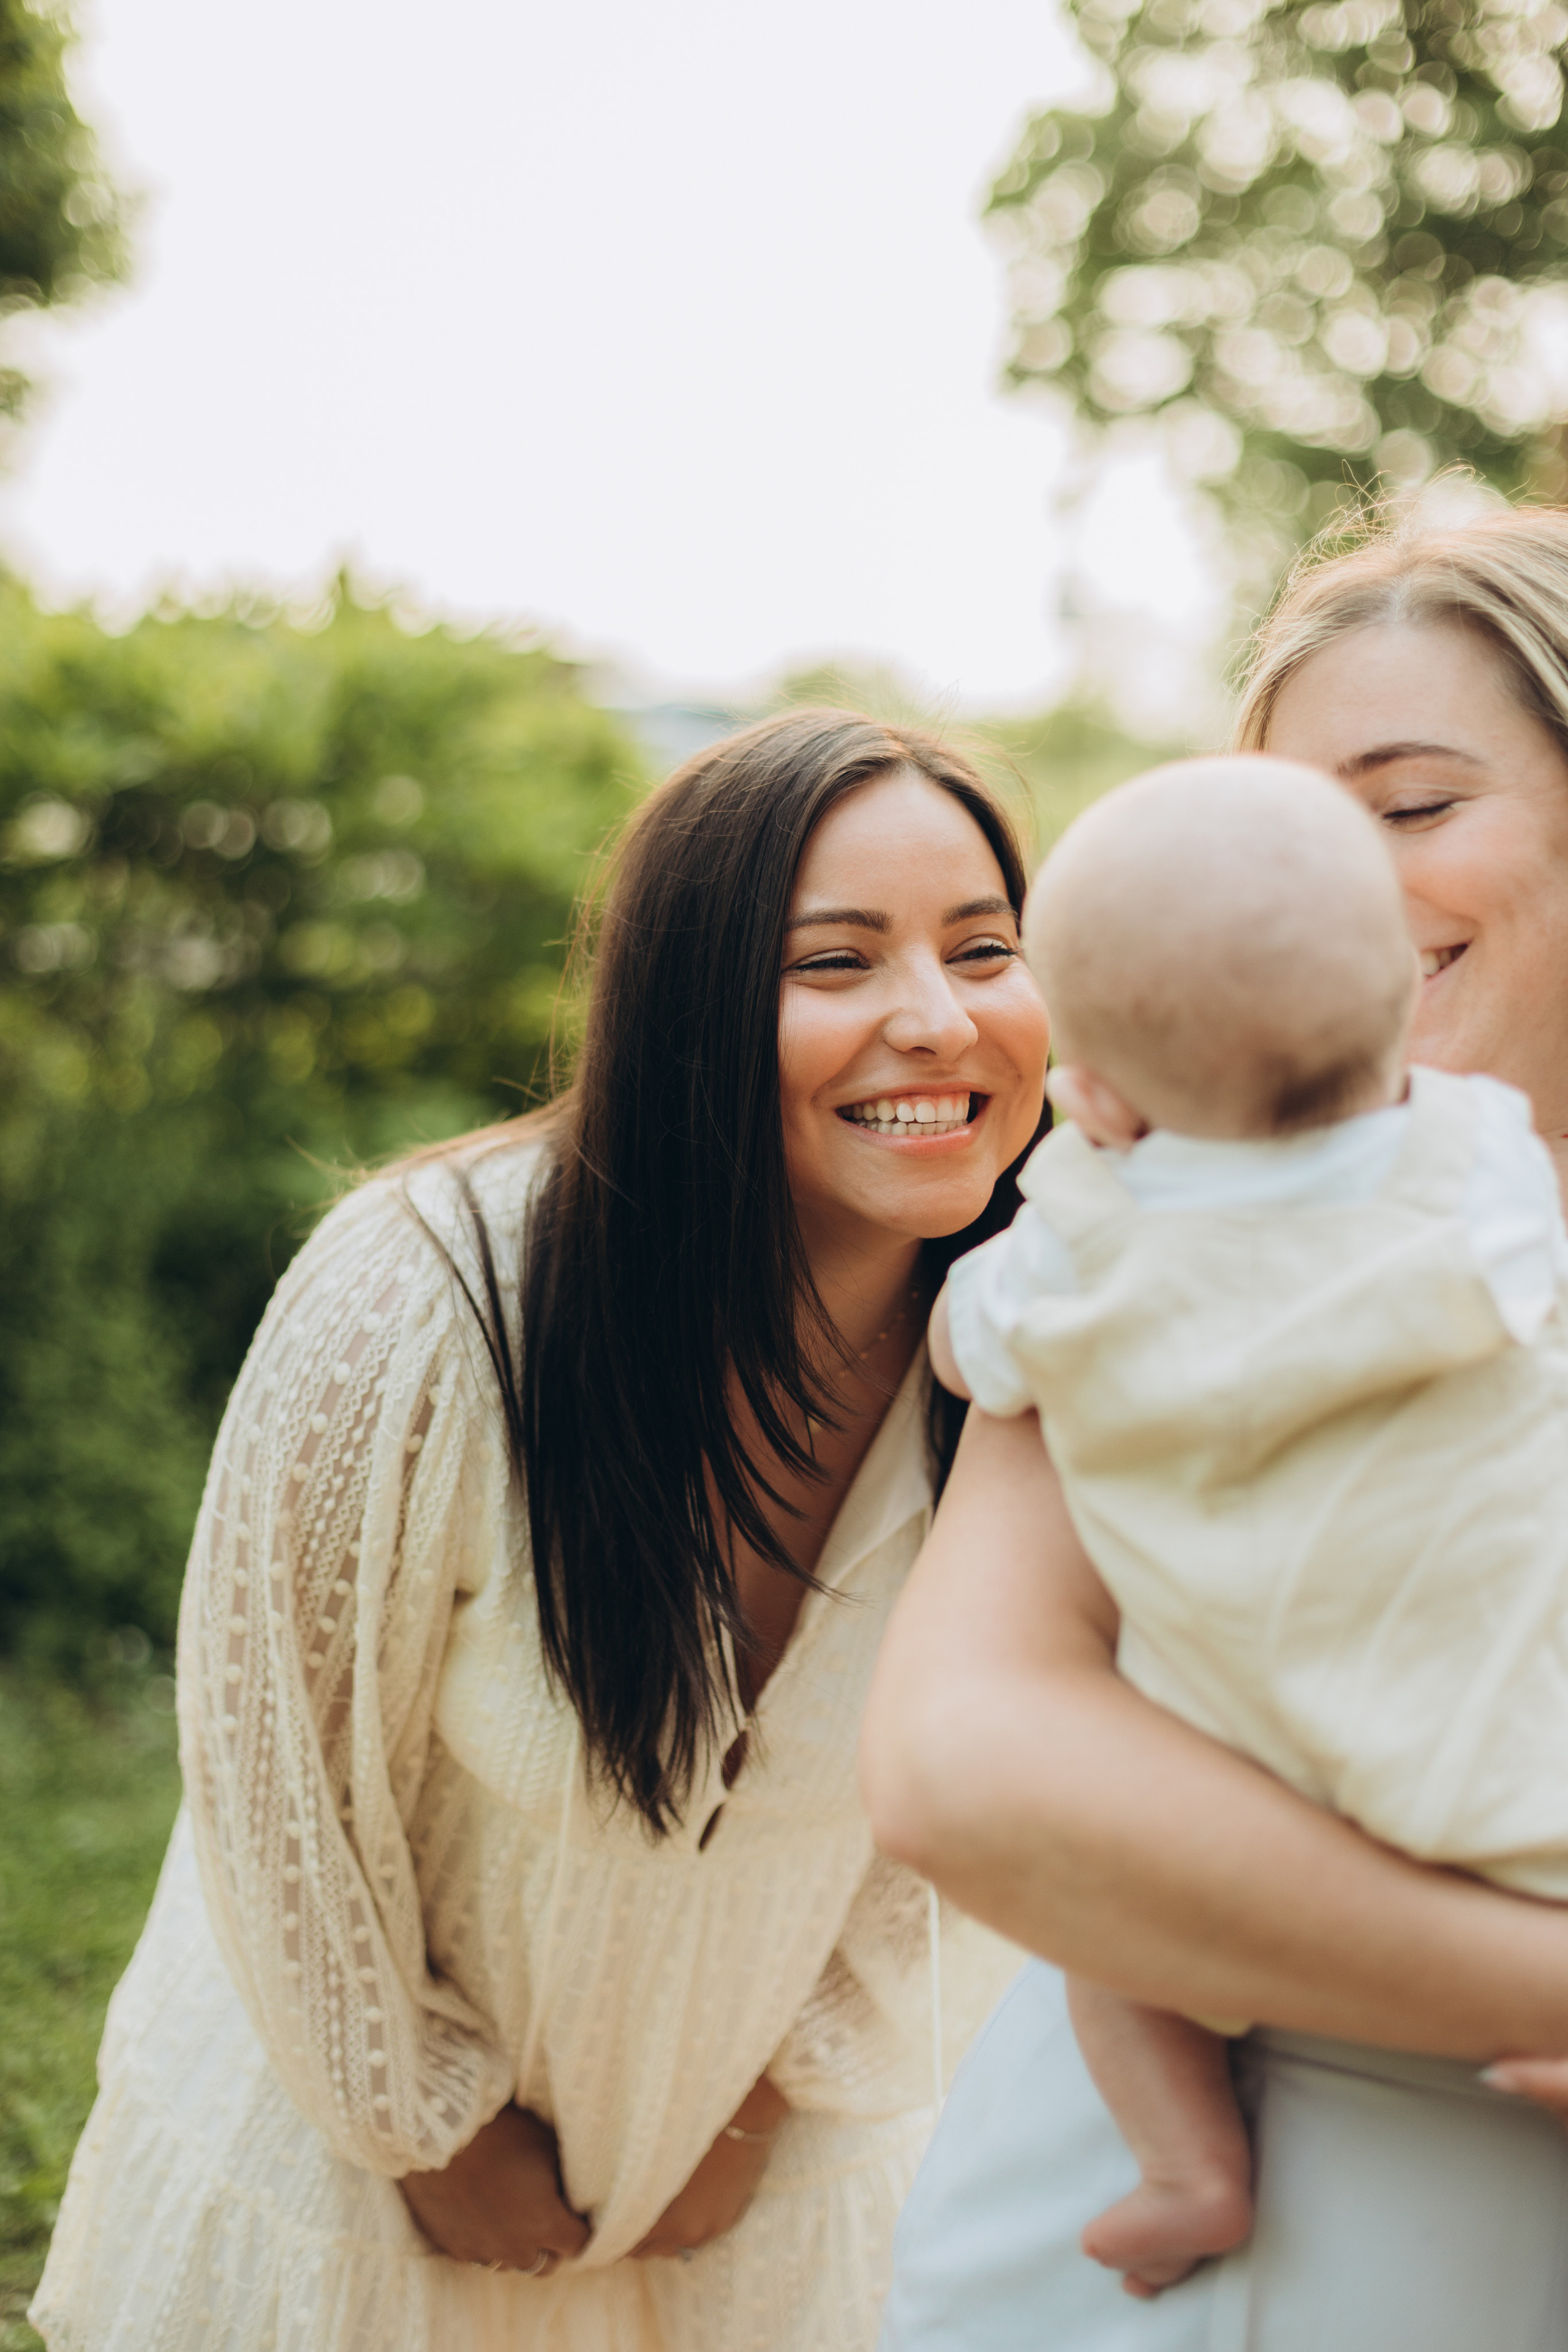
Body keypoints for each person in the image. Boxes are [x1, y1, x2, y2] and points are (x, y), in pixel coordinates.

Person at [32, 708, 1049, 2352]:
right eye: (836, 964)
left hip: (767, 2201)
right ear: (686, 1013)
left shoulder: (1047, 1344)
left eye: (985, 948)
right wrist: (421, 2120)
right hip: (358, 2179)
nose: (935, 1021)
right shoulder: (428, 1291)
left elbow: (999, 1790)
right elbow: (269, 1745)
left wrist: (764, 2113)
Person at [861, 502, 1568, 2352]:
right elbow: (965, 1762)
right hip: (1148, 2223)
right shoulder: (1152, 1235)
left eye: (1411, 810)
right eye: (1287, 831)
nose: (1337, 890)